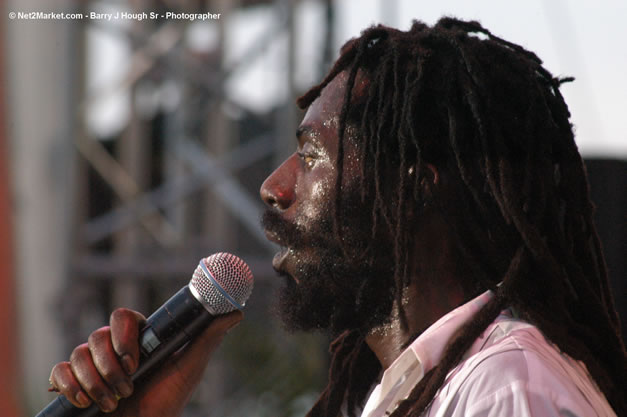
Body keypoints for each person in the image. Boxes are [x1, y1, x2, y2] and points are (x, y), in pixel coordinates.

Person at [48, 17, 626, 416]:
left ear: (411, 190)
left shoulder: (507, 391)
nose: (273, 187)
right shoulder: (395, 395)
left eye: (311, 155)